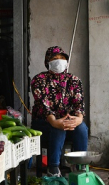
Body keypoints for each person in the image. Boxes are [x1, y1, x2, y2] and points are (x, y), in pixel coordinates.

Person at [31, 46, 88, 177]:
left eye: (62, 58)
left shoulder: (74, 80)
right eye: (55, 58)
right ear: (47, 61)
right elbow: (43, 105)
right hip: (44, 123)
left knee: (82, 128)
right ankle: (53, 168)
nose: (59, 61)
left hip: (69, 122)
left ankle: (80, 165)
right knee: (58, 128)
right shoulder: (39, 79)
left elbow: (79, 103)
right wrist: (55, 121)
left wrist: (78, 119)